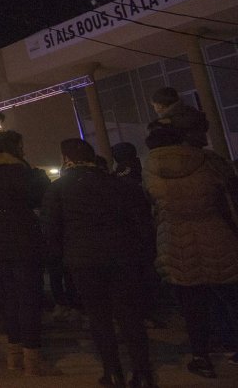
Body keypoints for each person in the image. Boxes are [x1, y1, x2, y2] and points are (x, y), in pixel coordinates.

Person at [42, 139, 155, 387]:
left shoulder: (59, 189)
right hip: (123, 256)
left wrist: (64, 257)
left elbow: (51, 230)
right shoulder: (121, 185)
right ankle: (143, 372)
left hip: (84, 260)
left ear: (66, 158)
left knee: (98, 317)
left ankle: (112, 371)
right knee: (129, 316)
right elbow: (142, 224)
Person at [144, 125, 238, 379]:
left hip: (173, 238)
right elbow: (228, 194)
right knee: (230, 294)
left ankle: (201, 356)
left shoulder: (150, 169)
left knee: (191, 304)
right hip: (215, 232)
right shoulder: (206, 160)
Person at [0, 130, 56, 376]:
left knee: (8, 301)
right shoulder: (21, 173)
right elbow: (41, 199)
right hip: (22, 242)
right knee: (28, 299)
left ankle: (13, 355)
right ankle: (32, 358)